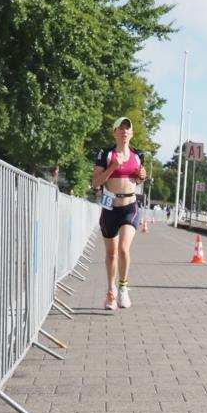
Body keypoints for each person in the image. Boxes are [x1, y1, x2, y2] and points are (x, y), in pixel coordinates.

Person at [91, 117, 148, 310]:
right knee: (111, 253)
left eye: (127, 129)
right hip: (110, 208)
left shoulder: (138, 155)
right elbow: (95, 182)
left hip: (129, 207)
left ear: (132, 134)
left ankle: (123, 288)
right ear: (114, 132)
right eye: (120, 128)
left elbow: (139, 178)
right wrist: (114, 166)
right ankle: (111, 290)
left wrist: (142, 177)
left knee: (123, 249)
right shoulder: (106, 154)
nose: (124, 131)